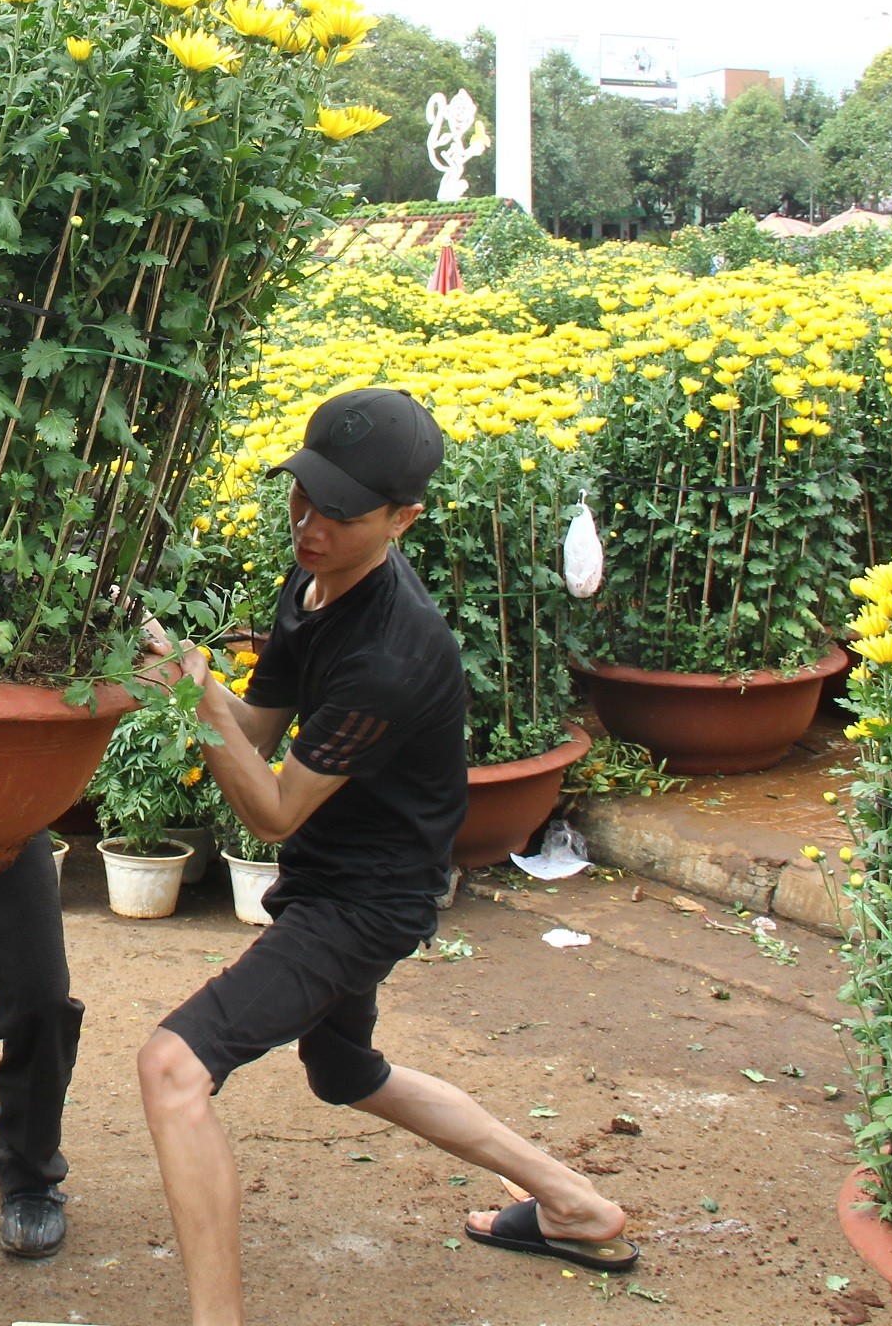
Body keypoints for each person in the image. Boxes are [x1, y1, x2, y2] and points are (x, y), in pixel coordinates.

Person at [133, 390, 633, 1326]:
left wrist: (200, 706)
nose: (309, 525)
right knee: (343, 1070)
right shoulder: (310, 583)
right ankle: (573, 1203)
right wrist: (187, 680)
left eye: (340, 513)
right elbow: (257, 729)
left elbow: (274, 807)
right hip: (333, 875)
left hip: (366, 899)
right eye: (303, 497)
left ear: (405, 520)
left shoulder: (395, 652)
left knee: (172, 1068)